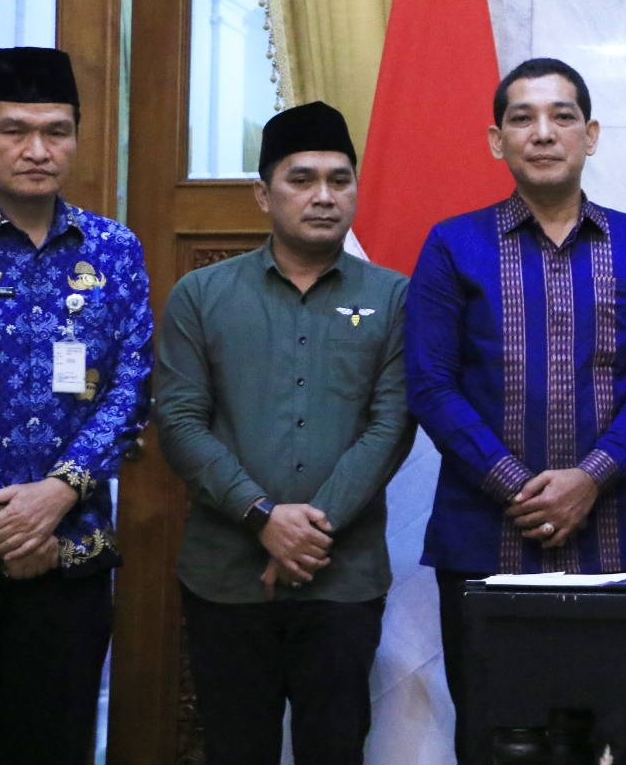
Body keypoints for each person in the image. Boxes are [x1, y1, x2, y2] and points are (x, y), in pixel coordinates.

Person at [406, 58, 626, 764]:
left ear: (591, 135)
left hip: (615, 544)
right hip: (484, 542)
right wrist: (517, 486)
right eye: (522, 117)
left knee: (609, 740)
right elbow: (430, 384)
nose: (543, 132)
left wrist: (590, 478)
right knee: (496, 739)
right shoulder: (452, 244)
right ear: (496, 140)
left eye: (562, 116)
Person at [155, 101, 413, 765]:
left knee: (335, 750)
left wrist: (307, 530)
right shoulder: (200, 295)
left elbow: (392, 424)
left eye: (339, 179)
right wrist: (262, 516)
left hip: (342, 581)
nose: (324, 196)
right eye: (302, 179)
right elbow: (178, 421)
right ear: (264, 193)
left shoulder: (395, 298)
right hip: (225, 578)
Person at [0, 47, 153, 765]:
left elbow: (133, 383)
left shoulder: (112, 249)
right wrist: (1, 522)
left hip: (69, 550)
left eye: (56, 130)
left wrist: (56, 493)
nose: (37, 149)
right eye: (14, 130)